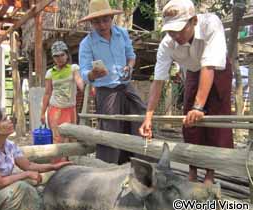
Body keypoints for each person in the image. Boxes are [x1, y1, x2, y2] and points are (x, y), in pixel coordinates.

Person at [139, 0, 233, 185]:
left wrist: (199, 107)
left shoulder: (211, 24)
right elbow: (158, 81)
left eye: (180, 29)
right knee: (189, 123)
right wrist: (148, 117)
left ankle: (209, 174)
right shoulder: (167, 44)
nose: (175, 35)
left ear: (194, 21)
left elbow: (208, 66)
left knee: (214, 121)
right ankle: (192, 171)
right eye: (171, 31)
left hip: (218, 70)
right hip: (192, 72)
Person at [78, 0, 146, 164]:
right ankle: (107, 168)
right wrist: (94, 74)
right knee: (110, 129)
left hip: (126, 87)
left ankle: (141, 164)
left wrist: (129, 67)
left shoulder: (122, 33)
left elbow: (131, 57)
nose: (102, 25)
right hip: (106, 91)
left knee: (140, 117)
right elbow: (84, 73)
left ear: (111, 18)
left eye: (105, 20)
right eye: (96, 21)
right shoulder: (87, 43)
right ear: (91, 22)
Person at [0, 108, 71, 210]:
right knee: (21, 187)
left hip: (0, 194)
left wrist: (53, 167)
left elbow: (28, 165)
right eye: (4, 119)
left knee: (30, 191)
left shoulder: (9, 145)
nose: (10, 121)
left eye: (8, 118)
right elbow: (0, 182)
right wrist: (26, 174)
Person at [40, 41, 84, 163]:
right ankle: (58, 166)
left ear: (67, 55)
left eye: (61, 55)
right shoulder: (50, 73)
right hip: (55, 108)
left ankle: (72, 164)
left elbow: (79, 80)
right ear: (53, 57)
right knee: (58, 138)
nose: (59, 58)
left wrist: (84, 86)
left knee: (71, 137)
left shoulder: (74, 68)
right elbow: (47, 93)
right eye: (56, 56)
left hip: (70, 109)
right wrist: (42, 113)